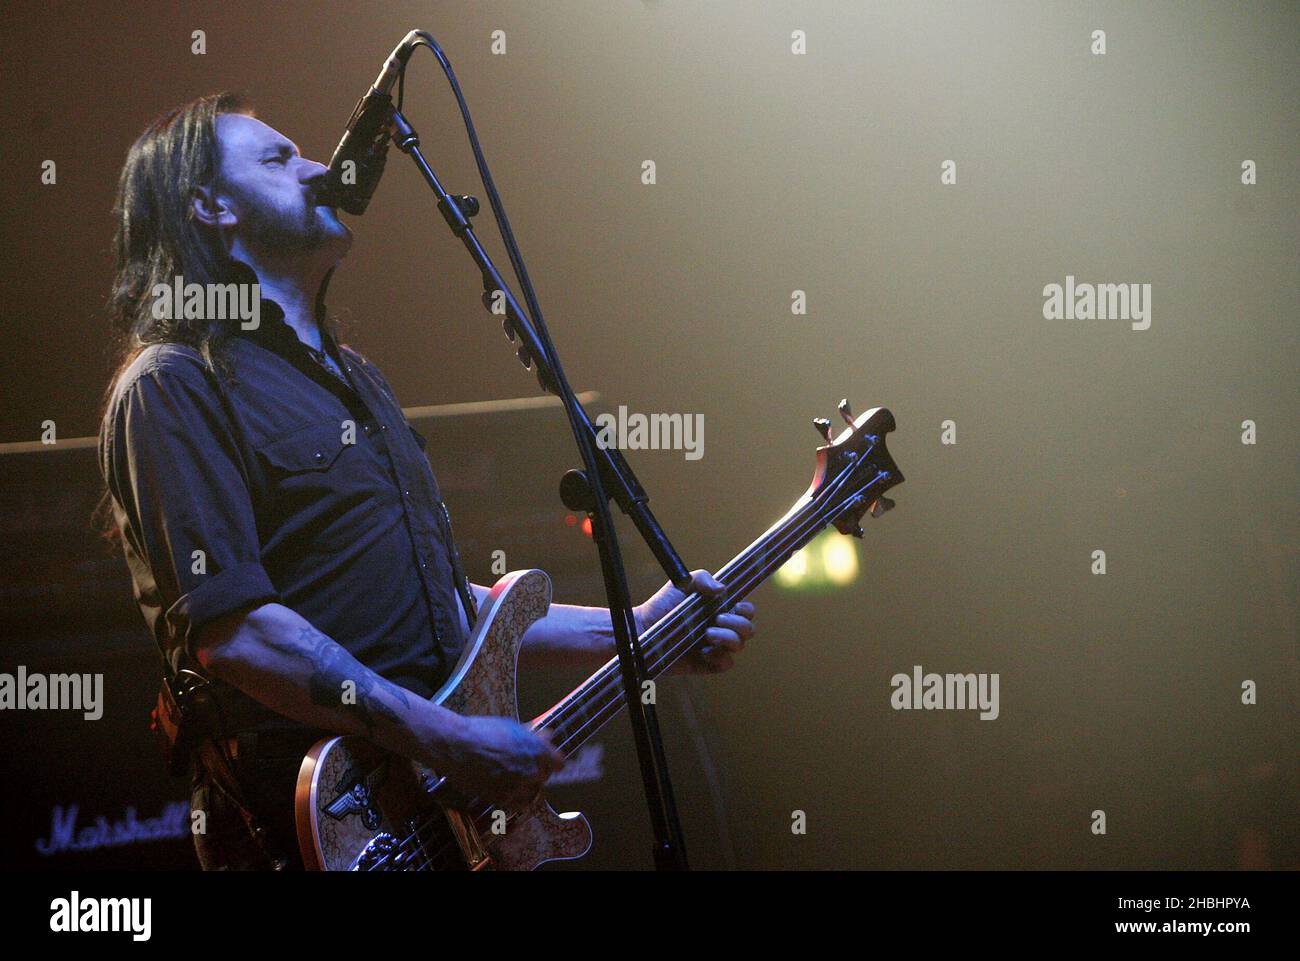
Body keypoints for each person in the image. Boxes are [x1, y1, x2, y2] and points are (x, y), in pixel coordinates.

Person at [98, 93, 755, 869]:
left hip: (435, 822)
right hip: (316, 835)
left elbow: (438, 601)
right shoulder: (172, 384)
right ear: (208, 204)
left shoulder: (358, 382)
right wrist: (451, 738)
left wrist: (639, 629)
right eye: (278, 158)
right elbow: (237, 632)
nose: (317, 168)